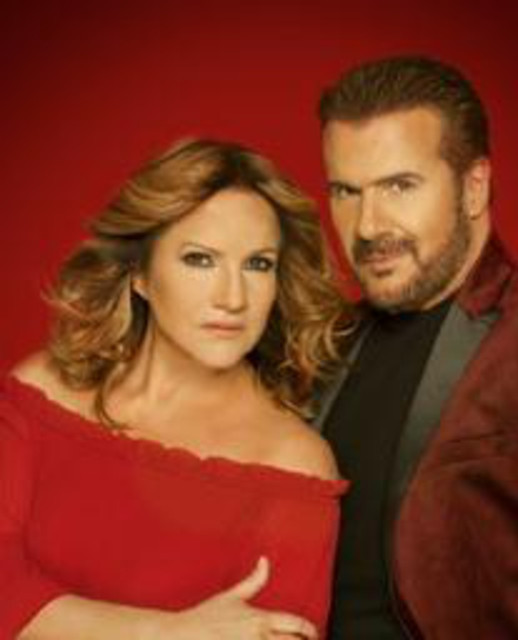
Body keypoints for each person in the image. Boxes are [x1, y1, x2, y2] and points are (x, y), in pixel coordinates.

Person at [313, 55, 518, 638]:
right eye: (346, 191)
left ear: (473, 186)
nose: (368, 225)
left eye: (400, 186)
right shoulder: (323, 346)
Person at [0, 138, 354, 640]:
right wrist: (166, 632)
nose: (233, 298)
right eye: (200, 260)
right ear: (139, 274)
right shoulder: (42, 391)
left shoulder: (293, 464)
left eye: (258, 264)